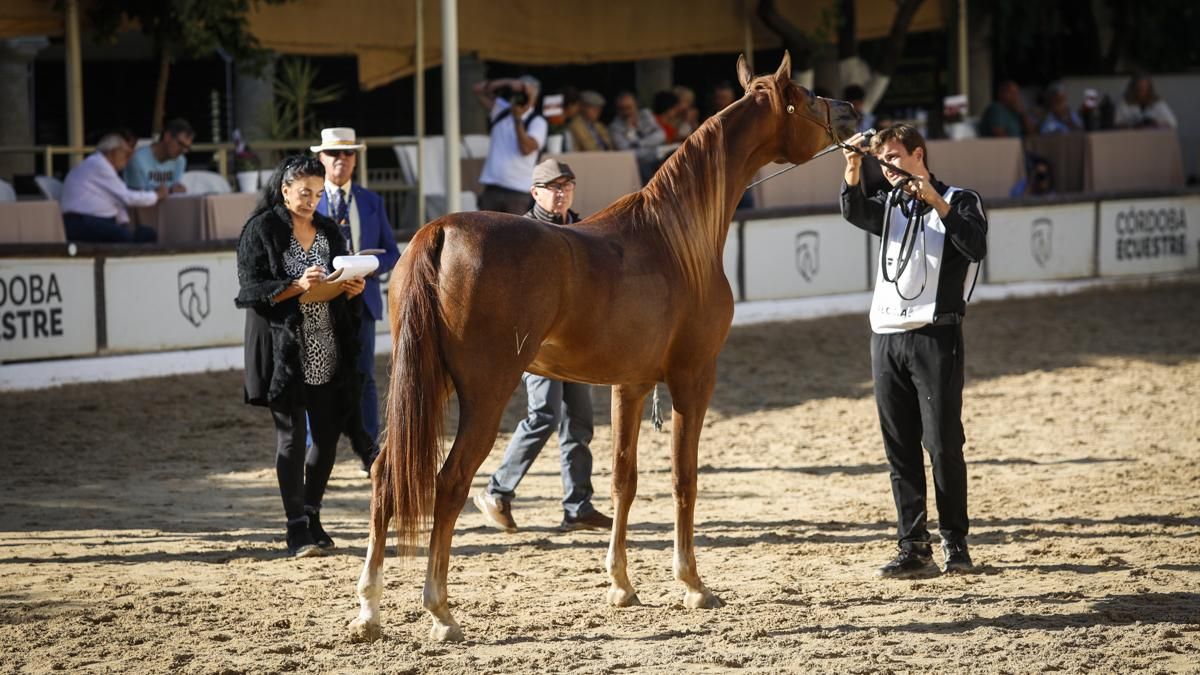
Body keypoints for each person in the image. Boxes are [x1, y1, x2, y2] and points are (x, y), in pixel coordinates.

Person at [838, 124, 988, 578]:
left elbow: (975, 245)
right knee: (900, 448)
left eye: (895, 158)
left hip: (935, 335)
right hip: (885, 337)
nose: (888, 169)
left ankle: (955, 542)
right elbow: (854, 211)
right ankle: (913, 546)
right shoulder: (888, 205)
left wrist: (937, 203)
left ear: (918, 154)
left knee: (943, 443)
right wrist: (851, 166)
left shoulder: (961, 198)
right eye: (882, 162)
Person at [235, 154, 367, 558]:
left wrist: (350, 287)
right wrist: (295, 284)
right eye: (303, 192)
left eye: (318, 192)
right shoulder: (261, 229)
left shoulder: (328, 230)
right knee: (291, 438)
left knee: (326, 438)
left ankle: (311, 514)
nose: (311, 199)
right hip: (284, 350)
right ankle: (295, 527)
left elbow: (337, 280)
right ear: (284, 189)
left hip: (327, 343)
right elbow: (250, 290)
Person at [473, 158, 614, 534]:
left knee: (580, 423)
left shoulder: (585, 228)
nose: (561, 192)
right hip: (538, 344)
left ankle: (578, 506)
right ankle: (497, 490)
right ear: (535, 193)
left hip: (577, 341)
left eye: (566, 185)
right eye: (553, 186)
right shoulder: (524, 234)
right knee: (544, 415)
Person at [311, 127, 401, 472]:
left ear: (356, 159)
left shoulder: (371, 201)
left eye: (348, 153)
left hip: (361, 301)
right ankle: (315, 449)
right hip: (320, 301)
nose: (341, 160)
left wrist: (368, 268)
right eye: (334, 153)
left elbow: (392, 253)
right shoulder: (310, 200)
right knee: (317, 375)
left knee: (363, 375)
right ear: (321, 158)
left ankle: (370, 451)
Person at [60, 133, 163, 242]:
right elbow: (127, 197)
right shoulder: (98, 165)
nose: (128, 158)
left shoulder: (99, 166)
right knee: (130, 236)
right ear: (113, 152)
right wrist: (157, 195)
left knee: (145, 232)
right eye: (126, 153)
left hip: (93, 222)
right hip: (82, 223)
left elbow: (117, 201)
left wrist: (125, 223)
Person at [473, 75, 549, 214]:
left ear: (535, 97)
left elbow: (526, 149)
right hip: (492, 188)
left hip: (518, 192)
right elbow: (478, 89)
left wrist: (518, 120)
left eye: (526, 92)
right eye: (519, 92)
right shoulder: (501, 110)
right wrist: (507, 82)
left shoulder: (537, 121)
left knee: (515, 235)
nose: (521, 95)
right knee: (485, 234)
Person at [609, 91, 666, 184]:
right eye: (621, 109)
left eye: (629, 107)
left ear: (636, 106)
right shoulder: (615, 126)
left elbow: (661, 135)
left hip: (657, 157)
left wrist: (639, 143)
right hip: (638, 164)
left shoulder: (645, 115)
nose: (626, 112)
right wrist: (629, 128)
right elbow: (627, 153)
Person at [124, 118, 194, 193]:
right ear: (167, 136)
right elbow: (135, 200)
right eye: (180, 144)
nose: (183, 150)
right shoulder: (138, 160)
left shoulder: (180, 160)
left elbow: (174, 189)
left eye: (186, 147)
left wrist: (177, 190)